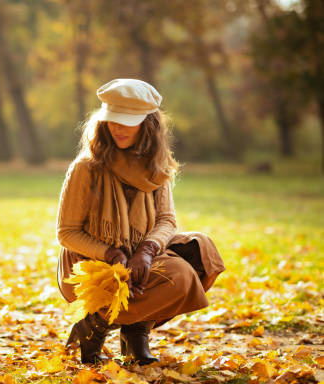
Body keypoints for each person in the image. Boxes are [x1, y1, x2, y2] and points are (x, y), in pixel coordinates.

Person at [57, 78, 226, 365]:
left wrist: (146, 252)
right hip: (90, 265)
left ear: (148, 125)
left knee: (200, 254)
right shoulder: (86, 168)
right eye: (113, 120)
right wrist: (112, 253)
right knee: (176, 276)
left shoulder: (156, 168)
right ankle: (94, 327)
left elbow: (166, 220)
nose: (118, 128)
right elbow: (67, 232)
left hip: (138, 256)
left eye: (128, 121)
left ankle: (136, 332)